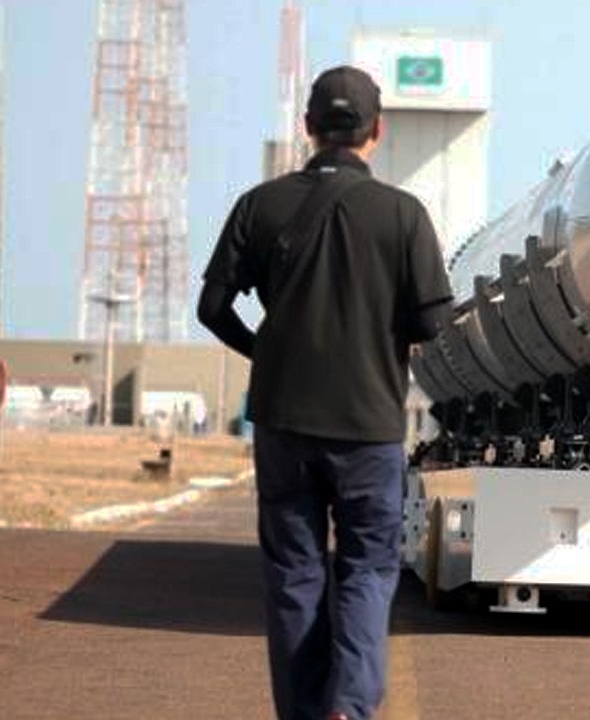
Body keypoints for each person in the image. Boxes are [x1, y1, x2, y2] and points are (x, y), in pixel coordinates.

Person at [197, 65, 453, 720]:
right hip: (367, 427)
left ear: (308, 127)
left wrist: (266, 352)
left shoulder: (261, 205)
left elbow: (212, 307)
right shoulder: (403, 215)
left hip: (283, 424)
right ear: (379, 131)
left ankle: (305, 713)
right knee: (368, 571)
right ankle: (349, 706)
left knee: (294, 575)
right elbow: (431, 321)